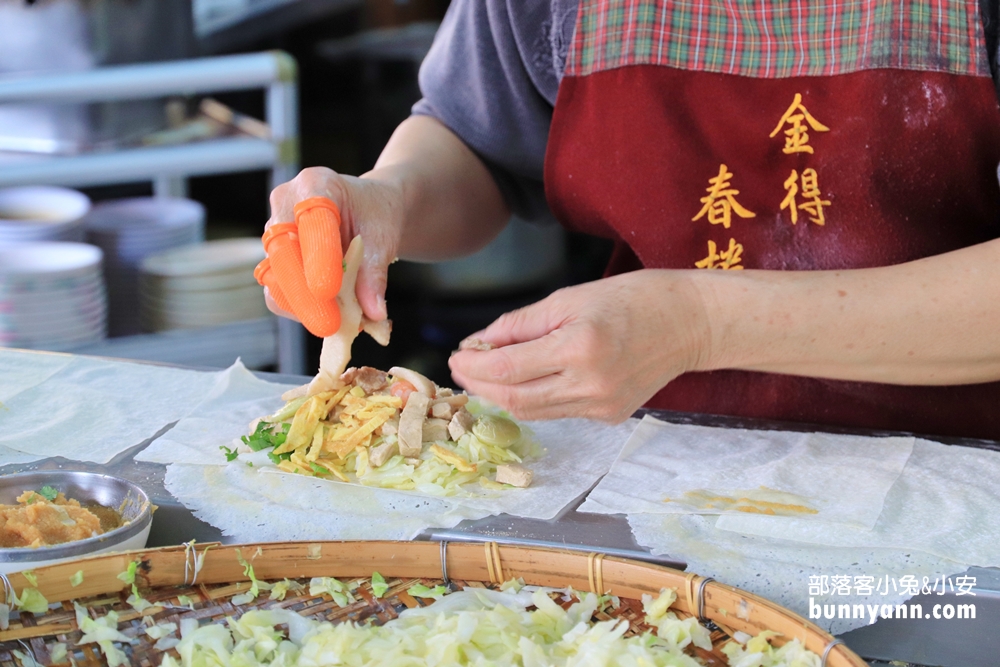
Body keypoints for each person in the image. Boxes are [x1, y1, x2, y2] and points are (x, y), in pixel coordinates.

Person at [265, 0, 1000, 440]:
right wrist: (387, 197)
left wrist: (698, 321)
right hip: (656, 470)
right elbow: (474, 140)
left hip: (963, 473)